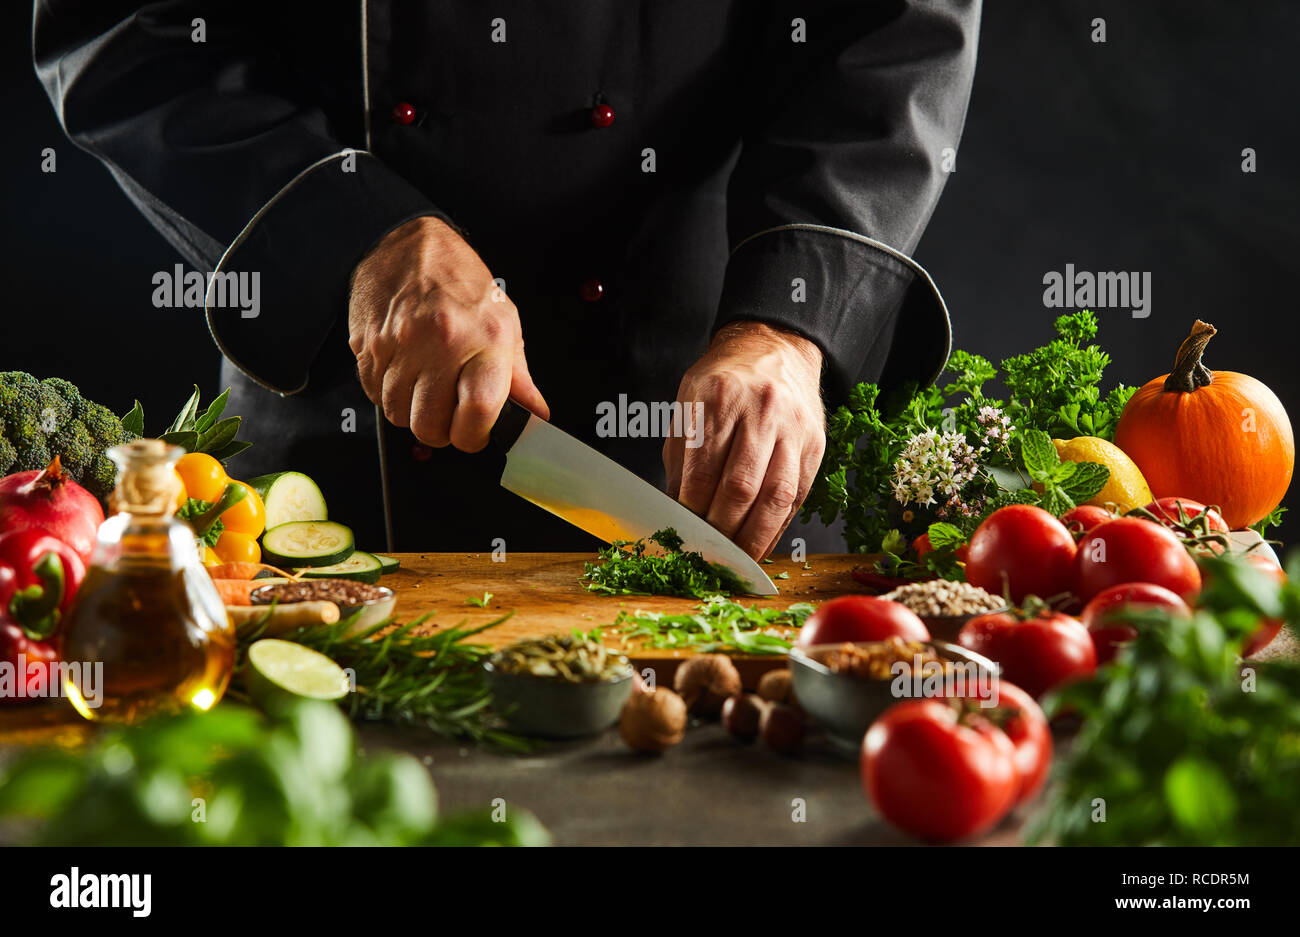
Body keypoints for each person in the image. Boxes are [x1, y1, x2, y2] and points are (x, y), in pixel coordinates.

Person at [35, 1, 980, 557]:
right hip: (341, 440)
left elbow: (896, 23)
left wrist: (789, 316)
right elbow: (117, 29)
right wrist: (357, 229)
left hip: (689, 422)